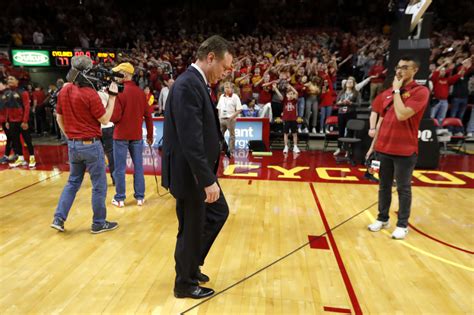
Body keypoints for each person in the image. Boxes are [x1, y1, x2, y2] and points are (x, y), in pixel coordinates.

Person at [161, 35, 233, 299]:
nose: (225, 74)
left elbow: (203, 127)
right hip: (190, 173)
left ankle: (190, 264)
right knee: (191, 227)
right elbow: (190, 140)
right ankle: (184, 284)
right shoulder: (188, 85)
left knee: (216, 213)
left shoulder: (197, 83)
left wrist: (221, 144)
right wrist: (206, 180)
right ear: (210, 57)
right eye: (224, 67)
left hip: (194, 171)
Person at [50, 55, 119, 234]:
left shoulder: (64, 91)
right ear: (89, 71)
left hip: (73, 145)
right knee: (99, 185)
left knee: (72, 182)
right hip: (91, 145)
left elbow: (59, 118)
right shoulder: (90, 94)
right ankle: (98, 223)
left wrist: (70, 137)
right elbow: (105, 119)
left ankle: (59, 218)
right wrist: (112, 98)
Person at [366, 56, 430, 240]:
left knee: (403, 188)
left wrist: (395, 90)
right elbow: (382, 121)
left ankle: (402, 225)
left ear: (414, 70)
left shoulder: (420, 91)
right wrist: (373, 146)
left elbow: (402, 114)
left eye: (404, 67)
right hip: (384, 147)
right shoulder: (388, 93)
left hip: (405, 150)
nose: (400, 71)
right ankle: (382, 218)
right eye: (398, 67)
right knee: (383, 186)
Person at [110, 62, 154, 208]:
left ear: (125, 74)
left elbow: (115, 117)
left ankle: (120, 198)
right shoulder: (141, 93)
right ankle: (140, 197)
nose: (116, 76)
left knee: (120, 168)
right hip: (136, 135)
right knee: (139, 167)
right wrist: (150, 135)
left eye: (118, 73)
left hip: (120, 135)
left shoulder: (120, 92)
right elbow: (148, 116)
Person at [4, 75, 36, 168]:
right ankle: (21, 159)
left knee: (27, 140)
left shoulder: (23, 92)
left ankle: (32, 157)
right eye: (8, 79)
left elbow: (27, 107)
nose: (9, 80)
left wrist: (25, 121)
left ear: (17, 81)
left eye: (11, 79)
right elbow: (7, 108)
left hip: (22, 121)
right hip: (12, 121)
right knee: (16, 141)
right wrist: (7, 120)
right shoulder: (7, 93)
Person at [334, 76, 361, 156]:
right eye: (348, 82)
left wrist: (351, 103)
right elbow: (337, 103)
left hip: (351, 113)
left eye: (351, 82)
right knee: (340, 131)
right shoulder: (341, 92)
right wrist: (342, 102)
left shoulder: (356, 93)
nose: (349, 83)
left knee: (350, 132)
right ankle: (339, 148)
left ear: (353, 84)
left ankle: (348, 150)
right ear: (345, 84)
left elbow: (359, 104)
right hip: (341, 113)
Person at [216, 81, 242, 156]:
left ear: (231, 88)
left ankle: (231, 151)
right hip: (222, 119)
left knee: (232, 135)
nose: (227, 89)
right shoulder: (221, 96)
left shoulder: (235, 97)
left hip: (230, 119)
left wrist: (232, 117)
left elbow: (239, 109)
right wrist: (218, 117)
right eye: (225, 88)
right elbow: (219, 108)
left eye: (228, 87)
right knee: (220, 135)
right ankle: (220, 150)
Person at [274, 83, 301, 154]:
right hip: (286, 119)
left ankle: (295, 146)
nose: (291, 95)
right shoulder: (285, 101)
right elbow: (280, 96)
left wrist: (291, 87)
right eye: (289, 94)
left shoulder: (294, 101)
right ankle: (286, 147)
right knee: (285, 133)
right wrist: (276, 89)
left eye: (292, 94)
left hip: (293, 119)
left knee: (294, 133)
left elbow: (297, 93)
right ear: (286, 95)